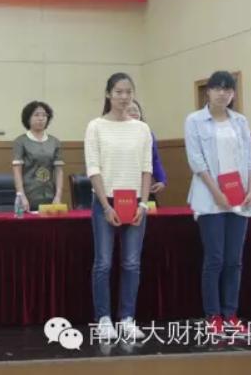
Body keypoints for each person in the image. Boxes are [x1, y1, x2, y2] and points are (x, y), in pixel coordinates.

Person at [184, 71, 251, 337]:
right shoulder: (194, 120)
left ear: (233, 94)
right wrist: (216, 192)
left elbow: (249, 158)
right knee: (215, 258)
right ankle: (213, 316)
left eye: (228, 89)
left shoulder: (240, 121)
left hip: (240, 198)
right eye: (217, 88)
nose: (222, 93)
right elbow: (196, 160)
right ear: (208, 92)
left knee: (234, 261)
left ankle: (231, 314)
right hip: (209, 197)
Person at [84, 72, 152, 341]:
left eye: (129, 92)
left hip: (134, 202)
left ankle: (127, 318)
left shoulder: (142, 128)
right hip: (106, 201)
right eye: (119, 92)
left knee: (132, 263)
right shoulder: (96, 126)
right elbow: (93, 169)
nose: (124, 97)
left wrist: (143, 204)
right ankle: (103, 318)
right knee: (103, 262)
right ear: (108, 94)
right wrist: (105, 206)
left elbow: (146, 168)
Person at [11, 101, 64, 212]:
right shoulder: (20, 141)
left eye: (44, 115)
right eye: (36, 115)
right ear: (28, 118)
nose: (41, 118)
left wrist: (58, 196)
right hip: (28, 197)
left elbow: (59, 171)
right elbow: (17, 171)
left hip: (50, 197)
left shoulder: (55, 142)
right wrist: (21, 196)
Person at [126, 100, 167, 201]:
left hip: (145, 187)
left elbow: (155, 159)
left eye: (136, 110)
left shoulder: (148, 134)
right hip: (124, 187)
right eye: (129, 110)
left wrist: (162, 180)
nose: (133, 113)